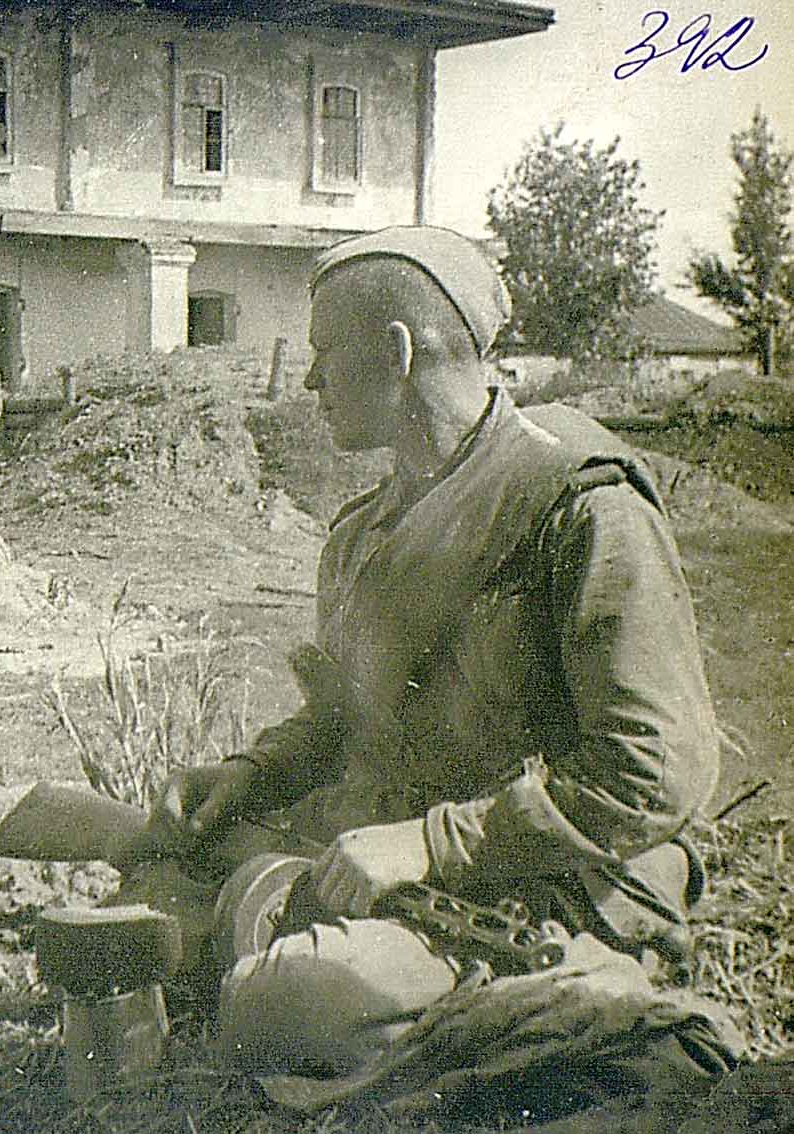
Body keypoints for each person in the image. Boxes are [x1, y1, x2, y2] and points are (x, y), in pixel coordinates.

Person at [139, 226, 726, 1081]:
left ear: (395, 350)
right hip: (389, 857)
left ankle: (586, 994)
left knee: (284, 1001)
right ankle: (289, 932)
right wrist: (252, 774)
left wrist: (428, 843)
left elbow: (653, 769)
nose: (307, 380)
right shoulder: (360, 536)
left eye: (324, 353)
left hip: (552, 881)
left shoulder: (578, 508)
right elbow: (345, 717)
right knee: (149, 899)